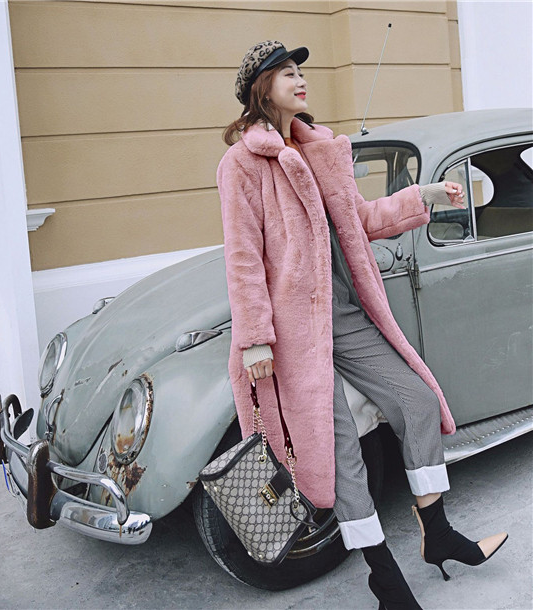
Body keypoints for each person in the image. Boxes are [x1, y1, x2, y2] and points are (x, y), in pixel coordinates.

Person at [217, 40, 508, 609]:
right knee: (338, 448)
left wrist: (424, 195)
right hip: (291, 332)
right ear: (261, 87)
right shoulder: (242, 165)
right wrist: (254, 338)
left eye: (300, 71)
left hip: (345, 314)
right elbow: (243, 256)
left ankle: (437, 533)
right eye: (287, 73)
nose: (300, 80)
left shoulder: (320, 149)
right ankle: (385, 579)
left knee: (417, 400)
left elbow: (363, 219)